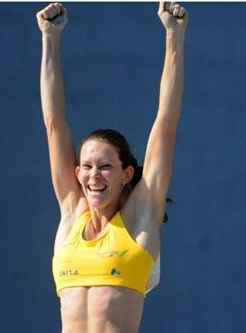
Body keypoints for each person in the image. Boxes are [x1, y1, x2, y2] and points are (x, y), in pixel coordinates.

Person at [36, 2, 187, 332]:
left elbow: (167, 122)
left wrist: (174, 36)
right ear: (77, 173)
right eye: (86, 166)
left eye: (105, 166)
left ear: (126, 173)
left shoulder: (140, 218)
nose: (93, 175)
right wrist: (50, 39)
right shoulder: (71, 213)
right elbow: (53, 124)